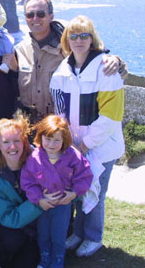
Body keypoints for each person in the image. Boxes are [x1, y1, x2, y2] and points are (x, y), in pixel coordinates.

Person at [50, 15, 125, 257]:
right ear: (66, 40)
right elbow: (59, 110)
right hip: (74, 146)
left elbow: (111, 118)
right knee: (80, 190)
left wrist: (84, 145)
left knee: (96, 192)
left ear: (92, 39)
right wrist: (68, 144)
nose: (79, 40)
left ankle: (93, 237)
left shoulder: (106, 69)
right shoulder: (63, 70)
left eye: (84, 35)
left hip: (101, 147)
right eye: (74, 35)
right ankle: (79, 233)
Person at [14, 0, 128, 123]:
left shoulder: (69, 46)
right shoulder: (20, 50)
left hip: (59, 124)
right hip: (29, 122)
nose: (35, 18)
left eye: (40, 14)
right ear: (25, 18)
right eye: (30, 15)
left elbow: (96, 56)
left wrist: (116, 61)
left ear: (51, 16)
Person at [21, 115, 93, 268]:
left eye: (57, 140)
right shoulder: (35, 157)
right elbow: (28, 181)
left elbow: (85, 175)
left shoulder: (72, 155)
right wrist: (39, 199)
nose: (51, 144)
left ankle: (58, 260)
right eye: (47, 139)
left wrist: (74, 193)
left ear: (64, 140)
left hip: (62, 204)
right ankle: (45, 258)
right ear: (40, 138)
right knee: (43, 234)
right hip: (42, 205)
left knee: (59, 235)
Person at [0, 115, 43, 268]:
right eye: (6, 142)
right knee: (13, 242)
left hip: (35, 224)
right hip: (10, 223)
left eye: (17, 141)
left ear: (24, 142)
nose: (12, 147)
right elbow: (8, 217)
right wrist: (39, 205)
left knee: (26, 262)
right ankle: (0, 259)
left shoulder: (38, 164)